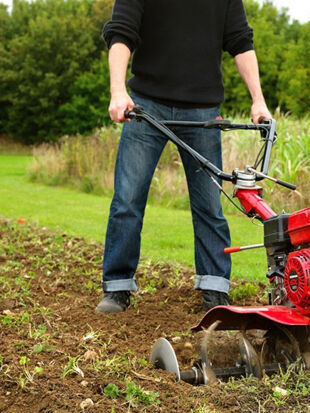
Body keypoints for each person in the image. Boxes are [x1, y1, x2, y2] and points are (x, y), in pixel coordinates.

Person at [96, 0, 271, 314]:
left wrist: (258, 100)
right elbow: (121, 33)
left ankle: (215, 287)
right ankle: (118, 287)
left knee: (208, 204)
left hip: (202, 110)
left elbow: (241, 42)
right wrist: (118, 90)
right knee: (128, 199)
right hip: (146, 107)